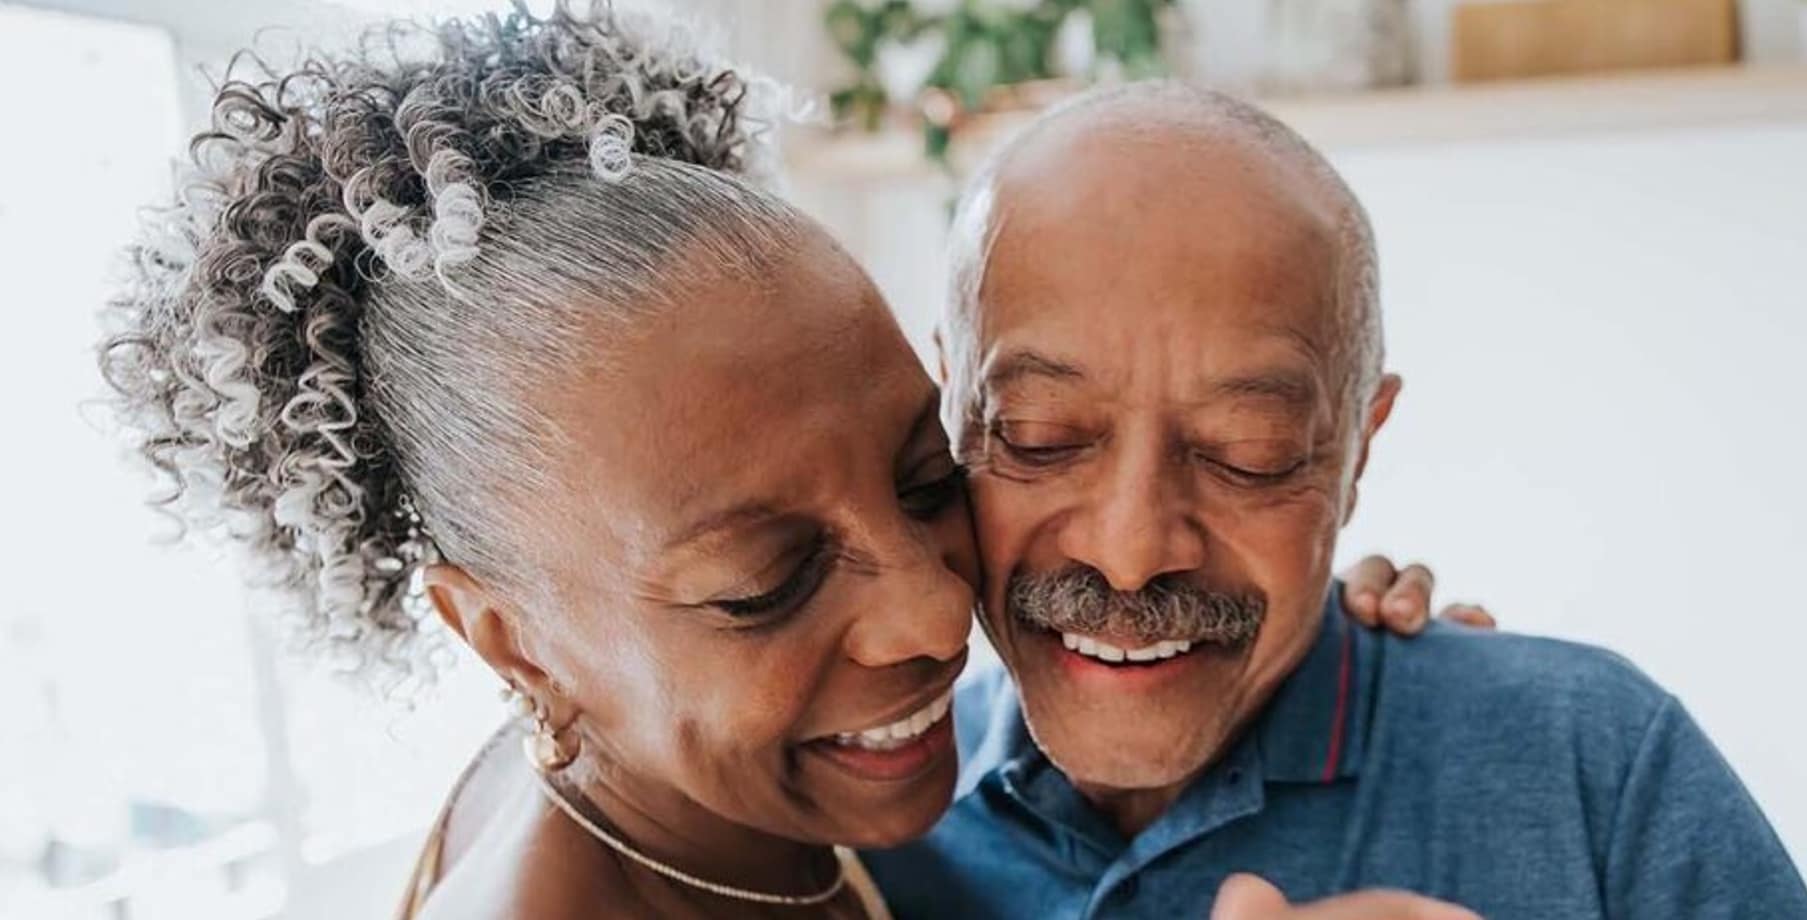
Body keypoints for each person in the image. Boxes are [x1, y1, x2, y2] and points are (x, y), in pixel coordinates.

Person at [95, 6, 1471, 918]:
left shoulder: (698, 782)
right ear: (507, 638)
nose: (942, 616)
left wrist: (1277, 600)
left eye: (927, 476)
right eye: (767, 580)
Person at [864, 82, 1807, 919]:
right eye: (1041, 438)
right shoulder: (858, 841)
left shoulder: (1593, 765)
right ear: (953, 408)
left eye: (1251, 455)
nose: (1130, 550)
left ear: (1358, 446)